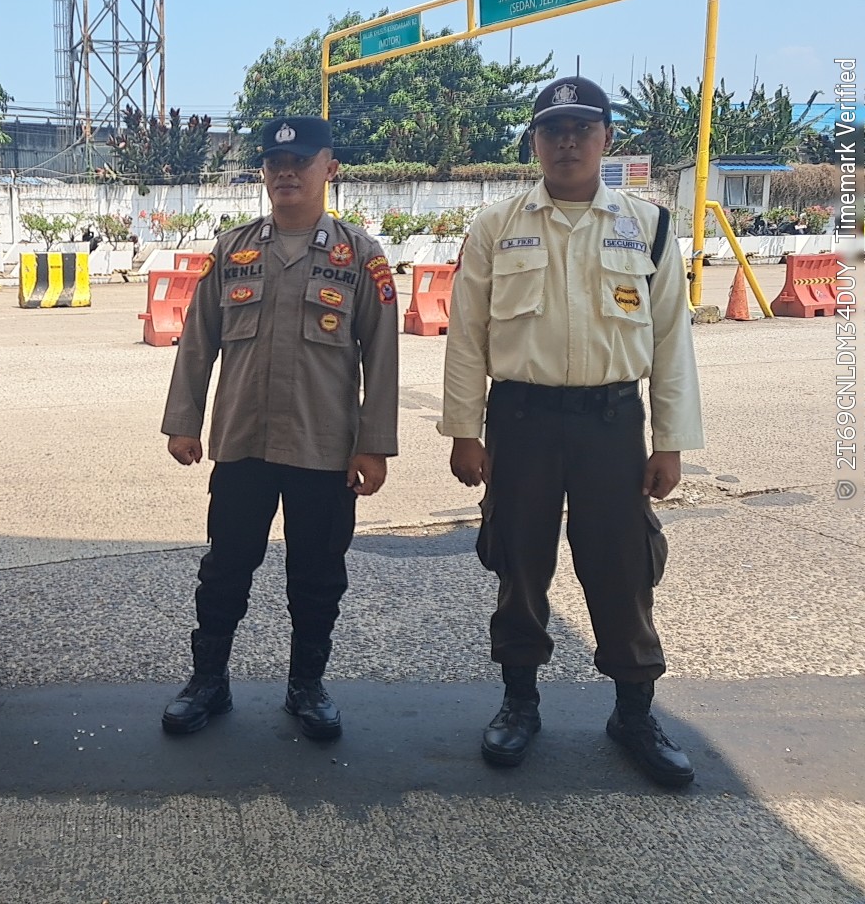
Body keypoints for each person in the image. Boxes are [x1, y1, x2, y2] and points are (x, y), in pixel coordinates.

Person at [440, 76, 704, 786]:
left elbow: (672, 341)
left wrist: (670, 442)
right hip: (521, 421)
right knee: (520, 561)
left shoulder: (648, 226)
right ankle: (519, 704)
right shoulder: (495, 226)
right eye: (552, 130)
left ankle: (634, 712)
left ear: (606, 138)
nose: (566, 142)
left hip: (611, 424)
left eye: (582, 129)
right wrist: (465, 430)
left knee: (623, 567)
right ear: (534, 142)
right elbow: (466, 336)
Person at [160, 115, 399, 740]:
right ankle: (208, 681)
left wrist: (374, 446)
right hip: (243, 442)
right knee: (225, 569)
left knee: (317, 575)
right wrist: (184, 421)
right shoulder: (233, 249)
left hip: (325, 448)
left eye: (301, 161)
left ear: (329, 168)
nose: (286, 172)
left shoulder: (360, 256)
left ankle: (306, 686)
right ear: (263, 172)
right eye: (275, 163)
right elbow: (197, 340)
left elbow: (382, 355)